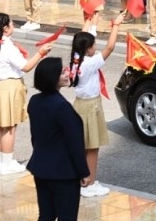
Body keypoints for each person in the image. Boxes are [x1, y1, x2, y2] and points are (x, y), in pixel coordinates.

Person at [0, 13, 53, 174]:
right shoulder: (7, 46)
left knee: (1, 126)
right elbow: (26, 66)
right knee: (10, 127)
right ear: (5, 28)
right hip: (10, 87)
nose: (13, 25)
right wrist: (41, 53)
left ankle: (1, 161)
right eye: (11, 23)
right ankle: (7, 164)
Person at [27, 57, 90, 221]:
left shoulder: (34, 102)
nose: (67, 73)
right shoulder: (62, 107)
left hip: (41, 168)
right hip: (64, 174)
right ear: (52, 77)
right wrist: (84, 172)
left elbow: (35, 137)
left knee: (46, 215)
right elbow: (75, 144)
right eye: (62, 72)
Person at [68, 14, 123, 198]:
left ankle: (83, 179)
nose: (95, 48)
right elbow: (110, 47)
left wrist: (90, 23)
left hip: (79, 106)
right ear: (87, 49)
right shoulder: (90, 64)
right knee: (92, 147)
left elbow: (85, 39)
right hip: (91, 107)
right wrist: (115, 25)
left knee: (82, 146)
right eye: (93, 45)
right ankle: (89, 183)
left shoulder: (77, 62)